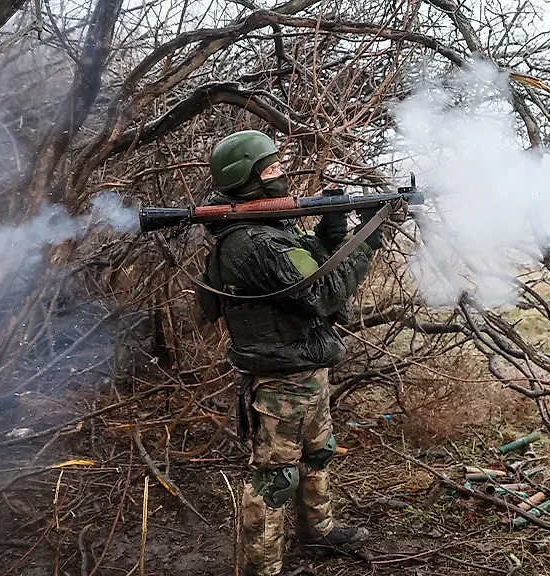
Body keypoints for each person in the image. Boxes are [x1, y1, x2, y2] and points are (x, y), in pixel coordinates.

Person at [194, 130, 381, 576]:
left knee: (317, 453)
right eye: (271, 168)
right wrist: (367, 240)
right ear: (247, 179)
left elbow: (307, 269)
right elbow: (324, 293)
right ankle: (262, 567)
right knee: (274, 477)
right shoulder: (255, 242)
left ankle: (317, 529)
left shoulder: (270, 227)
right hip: (281, 379)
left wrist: (329, 235)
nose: (282, 173)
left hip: (302, 367)